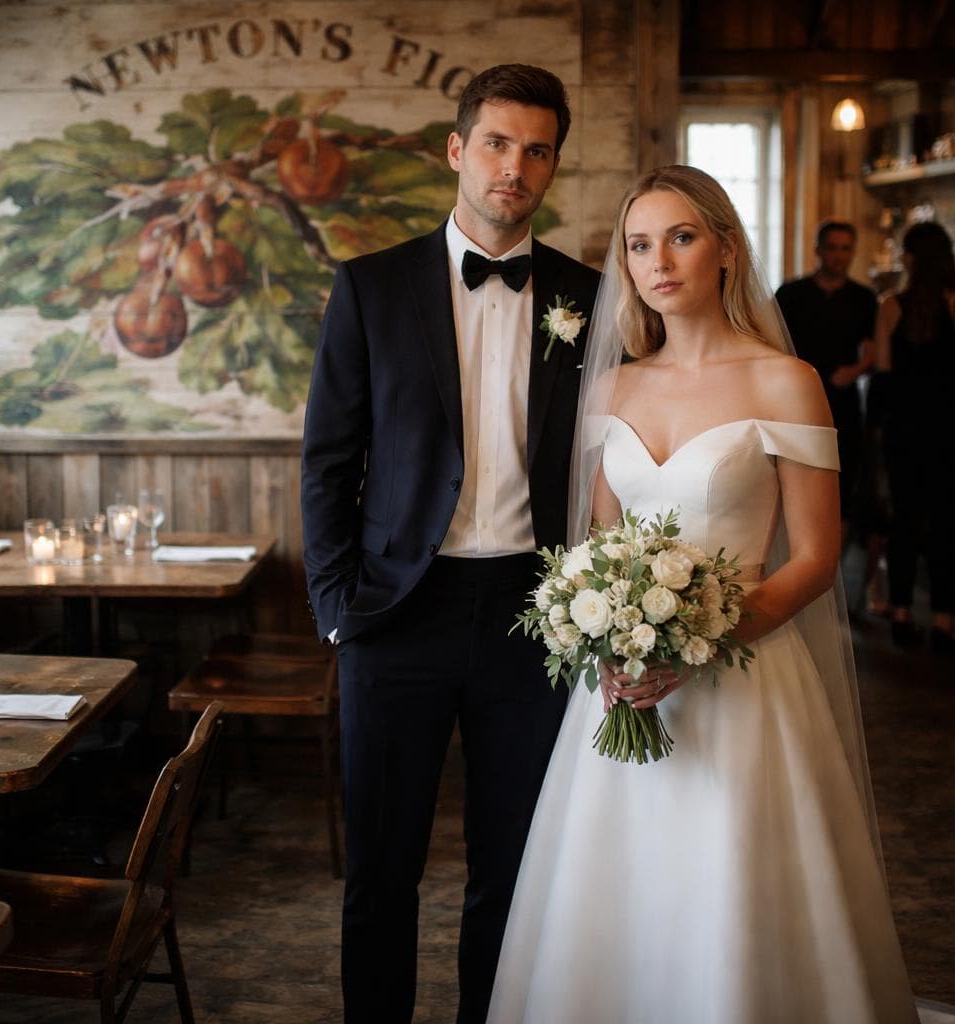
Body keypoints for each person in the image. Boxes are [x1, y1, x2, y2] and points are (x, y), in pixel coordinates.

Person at [486, 168, 955, 1024]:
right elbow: (598, 549)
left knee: (730, 881)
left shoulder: (785, 381)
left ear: (726, 249)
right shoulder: (613, 386)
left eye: (682, 237)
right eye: (640, 244)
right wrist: (613, 646)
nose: (660, 261)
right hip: (622, 684)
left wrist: (701, 641)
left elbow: (814, 556)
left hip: (745, 679)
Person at [300, 64, 601, 1024]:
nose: (516, 167)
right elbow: (326, 464)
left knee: (511, 870)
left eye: (538, 149)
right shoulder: (371, 288)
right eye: (499, 144)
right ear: (458, 151)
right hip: (397, 614)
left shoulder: (591, 300)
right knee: (381, 872)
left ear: (554, 163)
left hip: (537, 617)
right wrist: (338, 610)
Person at [872, 221, 955, 652]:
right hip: (949, 428)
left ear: (913, 259)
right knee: (947, 522)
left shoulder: (890, 305)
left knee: (904, 519)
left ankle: (901, 611)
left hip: (904, 427)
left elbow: (883, 369)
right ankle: (943, 619)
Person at [776, 220, 878, 542]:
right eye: (832, 248)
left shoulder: (863, 298)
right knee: (795, 478)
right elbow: (772, 344)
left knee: (842, 480)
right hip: (795, 402)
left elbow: (875, 351)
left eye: (845, 249)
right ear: (817, 250)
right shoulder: (791, 294)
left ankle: (835, 563)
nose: (838, 256)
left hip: (843, 401)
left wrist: (856, 370)